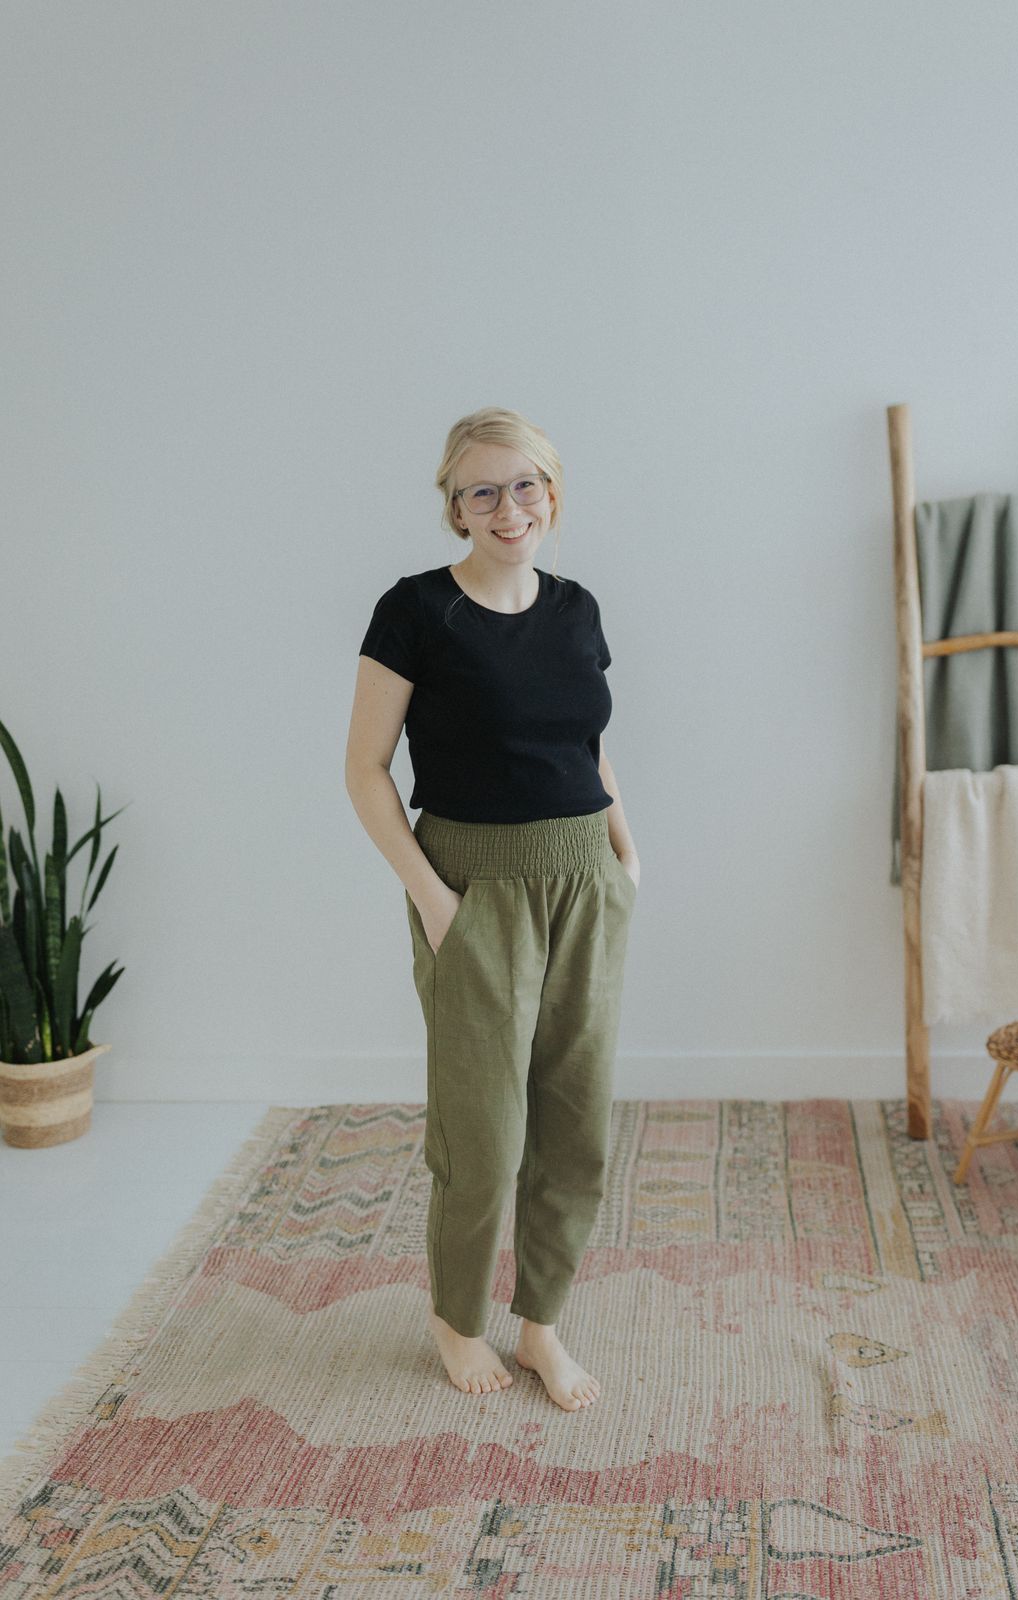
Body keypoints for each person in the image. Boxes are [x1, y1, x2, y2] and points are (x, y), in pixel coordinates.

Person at [345, 406, 639, 1412]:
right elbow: (366, 771)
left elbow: (585, 746)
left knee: (575, 1119)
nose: (507, 507)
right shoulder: (415, 611)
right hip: (469, 882)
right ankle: (456, 1319)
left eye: (525, 486)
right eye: (483, 490)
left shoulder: (578, 608)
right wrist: (430, 896)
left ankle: (540, 1326)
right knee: (484, 1129)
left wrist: (623, 849)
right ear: (455, 506)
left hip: (584, 878)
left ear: (551, 494)